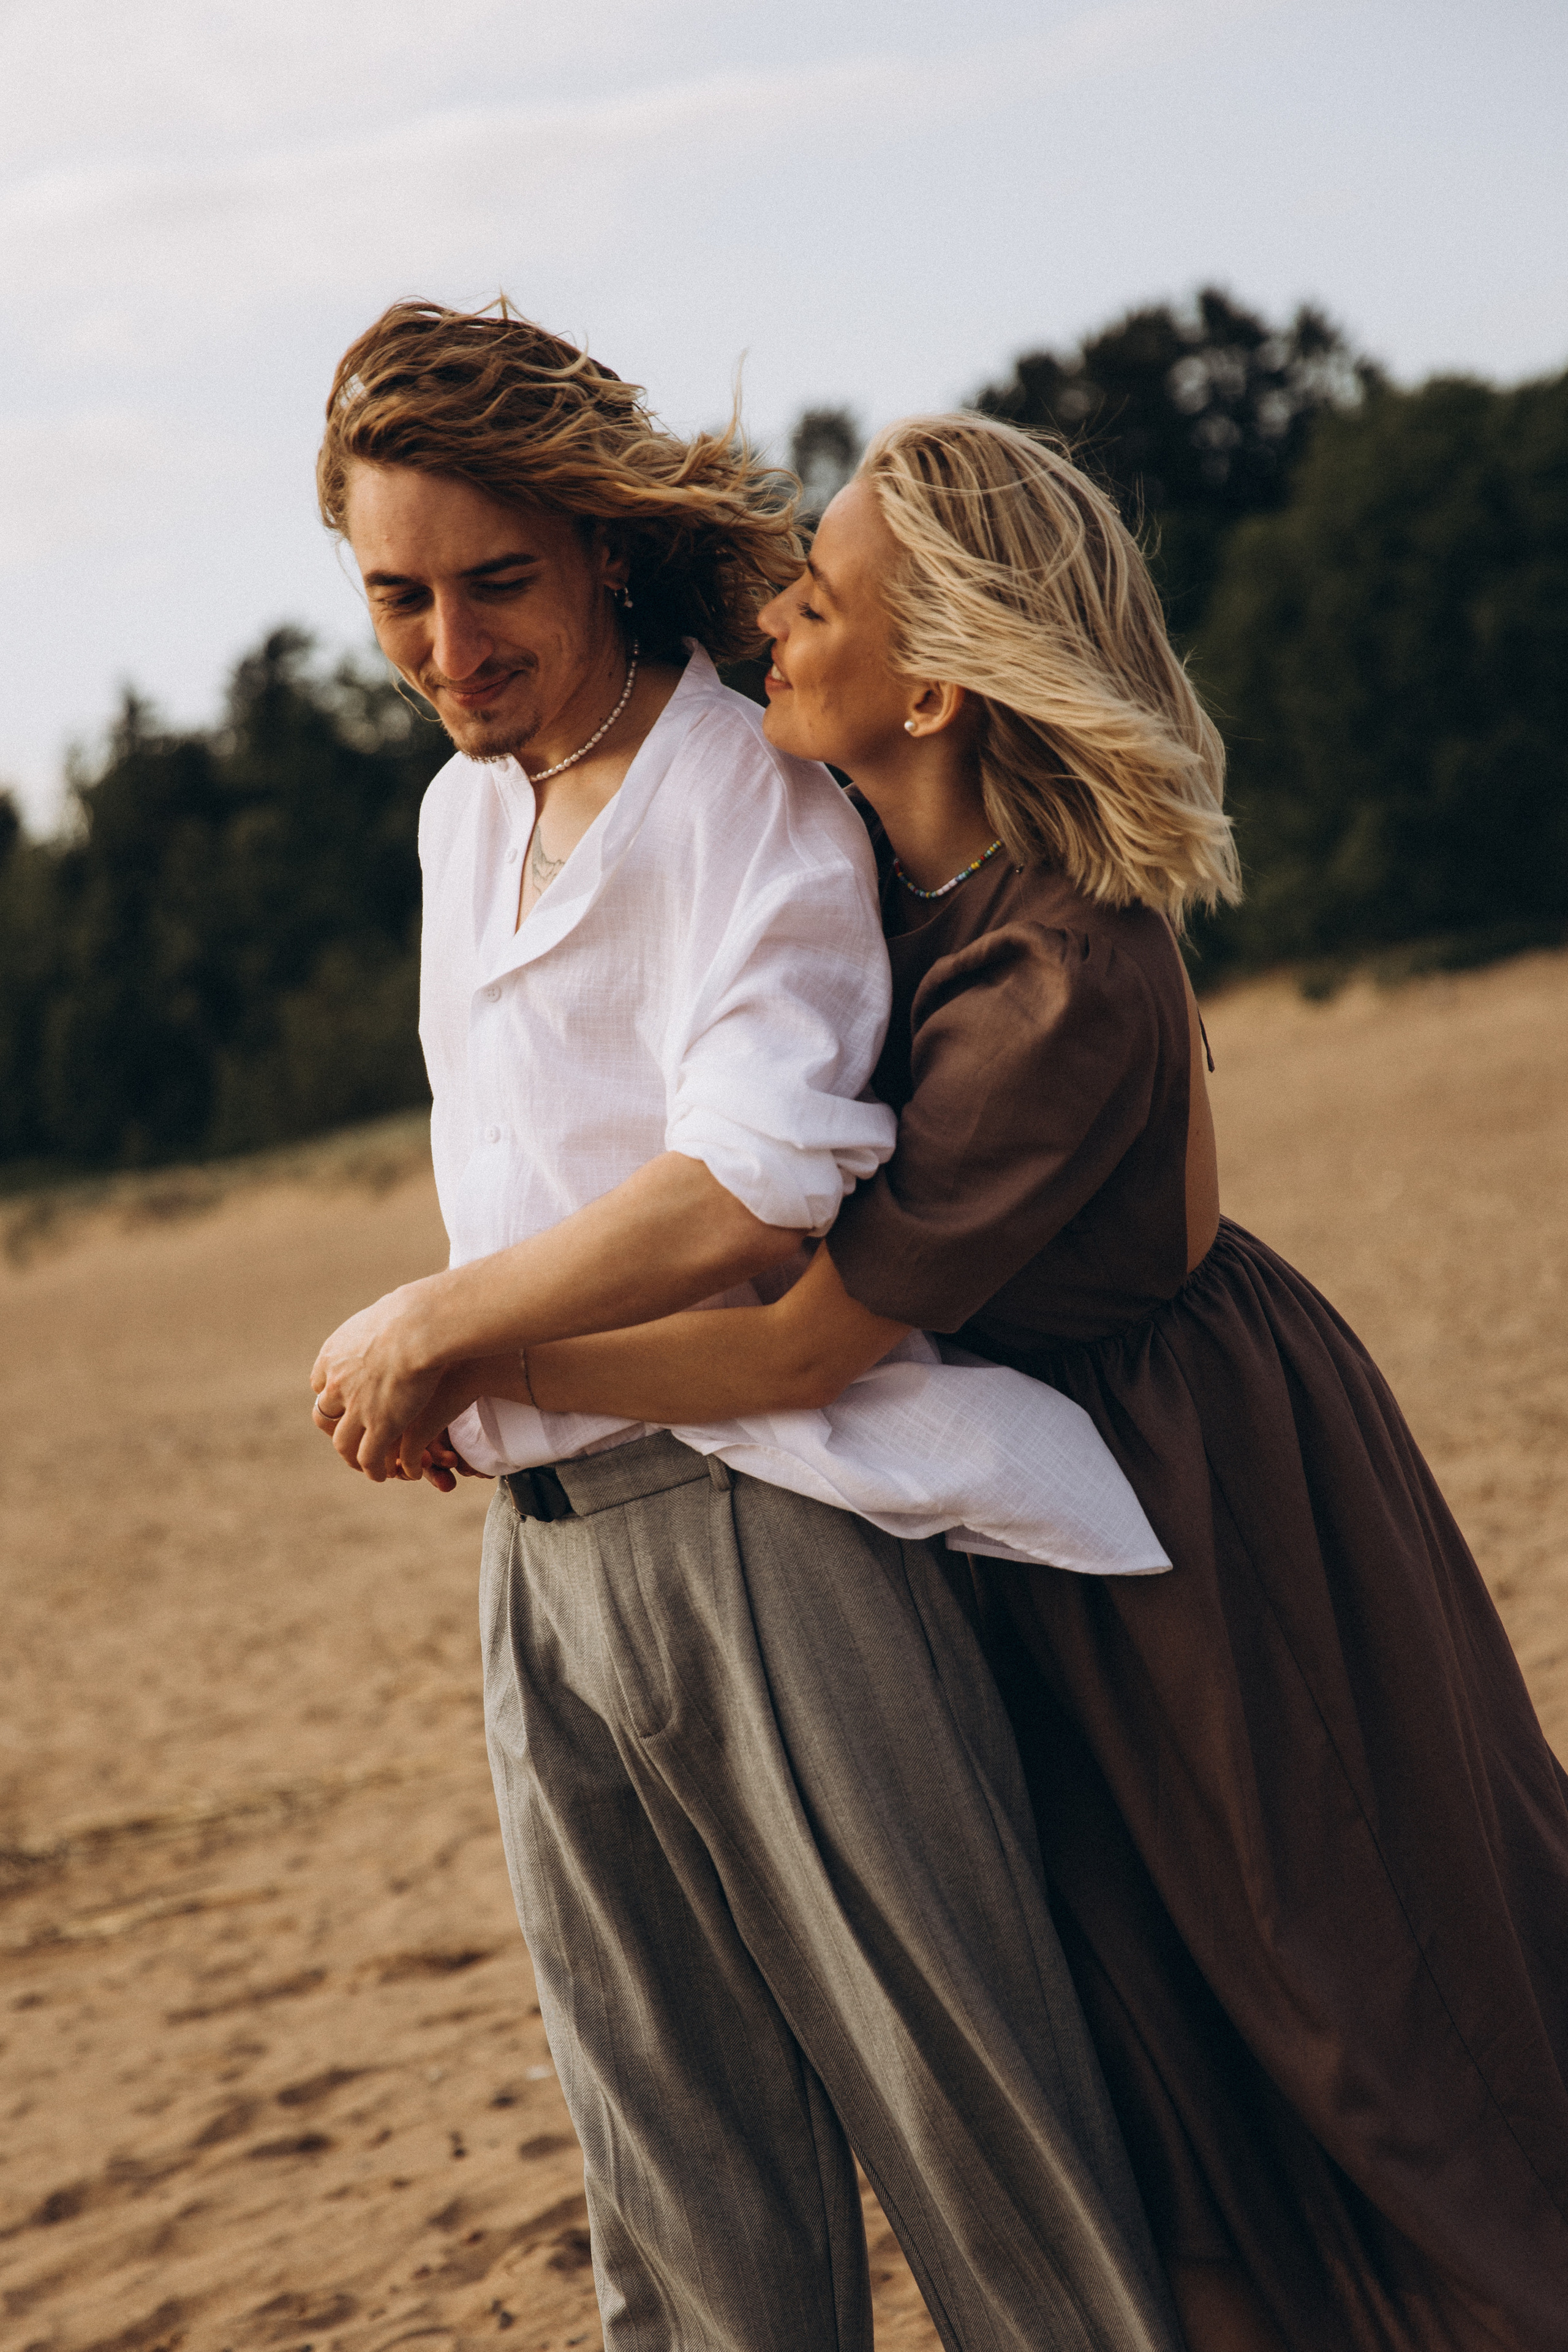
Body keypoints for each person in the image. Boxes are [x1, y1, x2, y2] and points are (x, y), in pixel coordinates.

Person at [450, 415, 1568, 2352]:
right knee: (1153, 2050)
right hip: (1032, 1496)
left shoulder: (1057, 971)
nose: (772, 631)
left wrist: (474, 1346)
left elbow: (808, 1342)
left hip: (1202, 1511)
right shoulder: (894, 874)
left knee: (1355, 2015)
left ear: (938, 680)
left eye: (814, 600)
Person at [307, 302, 1183, 2352]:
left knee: (993, 2169)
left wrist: (446, 1328)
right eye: (398, 598)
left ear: (602, 546)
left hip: (773, 1539)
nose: (452, 648)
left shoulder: (741, 792)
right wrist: (475, 1372)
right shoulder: (457, 821)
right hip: (543, 1583)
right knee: (681, 2216)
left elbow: (753, 1186)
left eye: (496, 583)